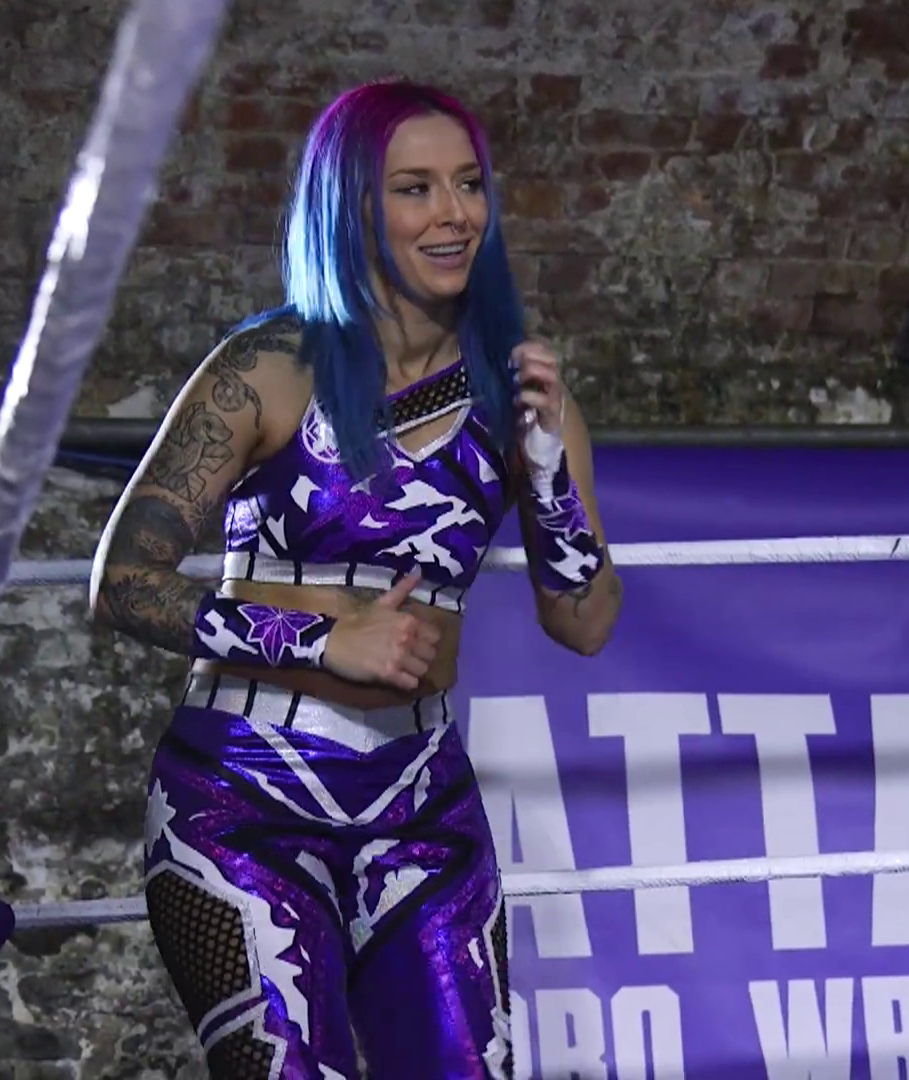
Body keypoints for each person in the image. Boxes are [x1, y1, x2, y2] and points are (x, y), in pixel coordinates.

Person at [88, 78, 623, 1080]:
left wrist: (548, 474)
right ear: (351, 207)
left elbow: (585, 622)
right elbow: (121, 580)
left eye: (468, 183)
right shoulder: (267, 368)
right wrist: (325, 640)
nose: (454, 213)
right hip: (241, 797)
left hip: (421, 798)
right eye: (415, 188)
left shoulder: (516, 391)